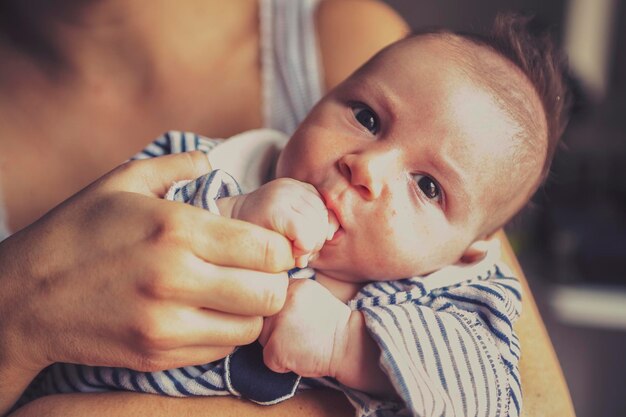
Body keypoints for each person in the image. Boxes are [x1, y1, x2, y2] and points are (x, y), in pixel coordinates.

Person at [0, 1, 575, 417]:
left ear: (474, 247)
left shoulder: (454, 292)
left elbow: (495, 397)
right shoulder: (214, 162)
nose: (366, 166)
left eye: (427, 187)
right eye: (366, 119)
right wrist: (234, 211)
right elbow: (119, 233)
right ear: (321, 97)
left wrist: (347, 347)